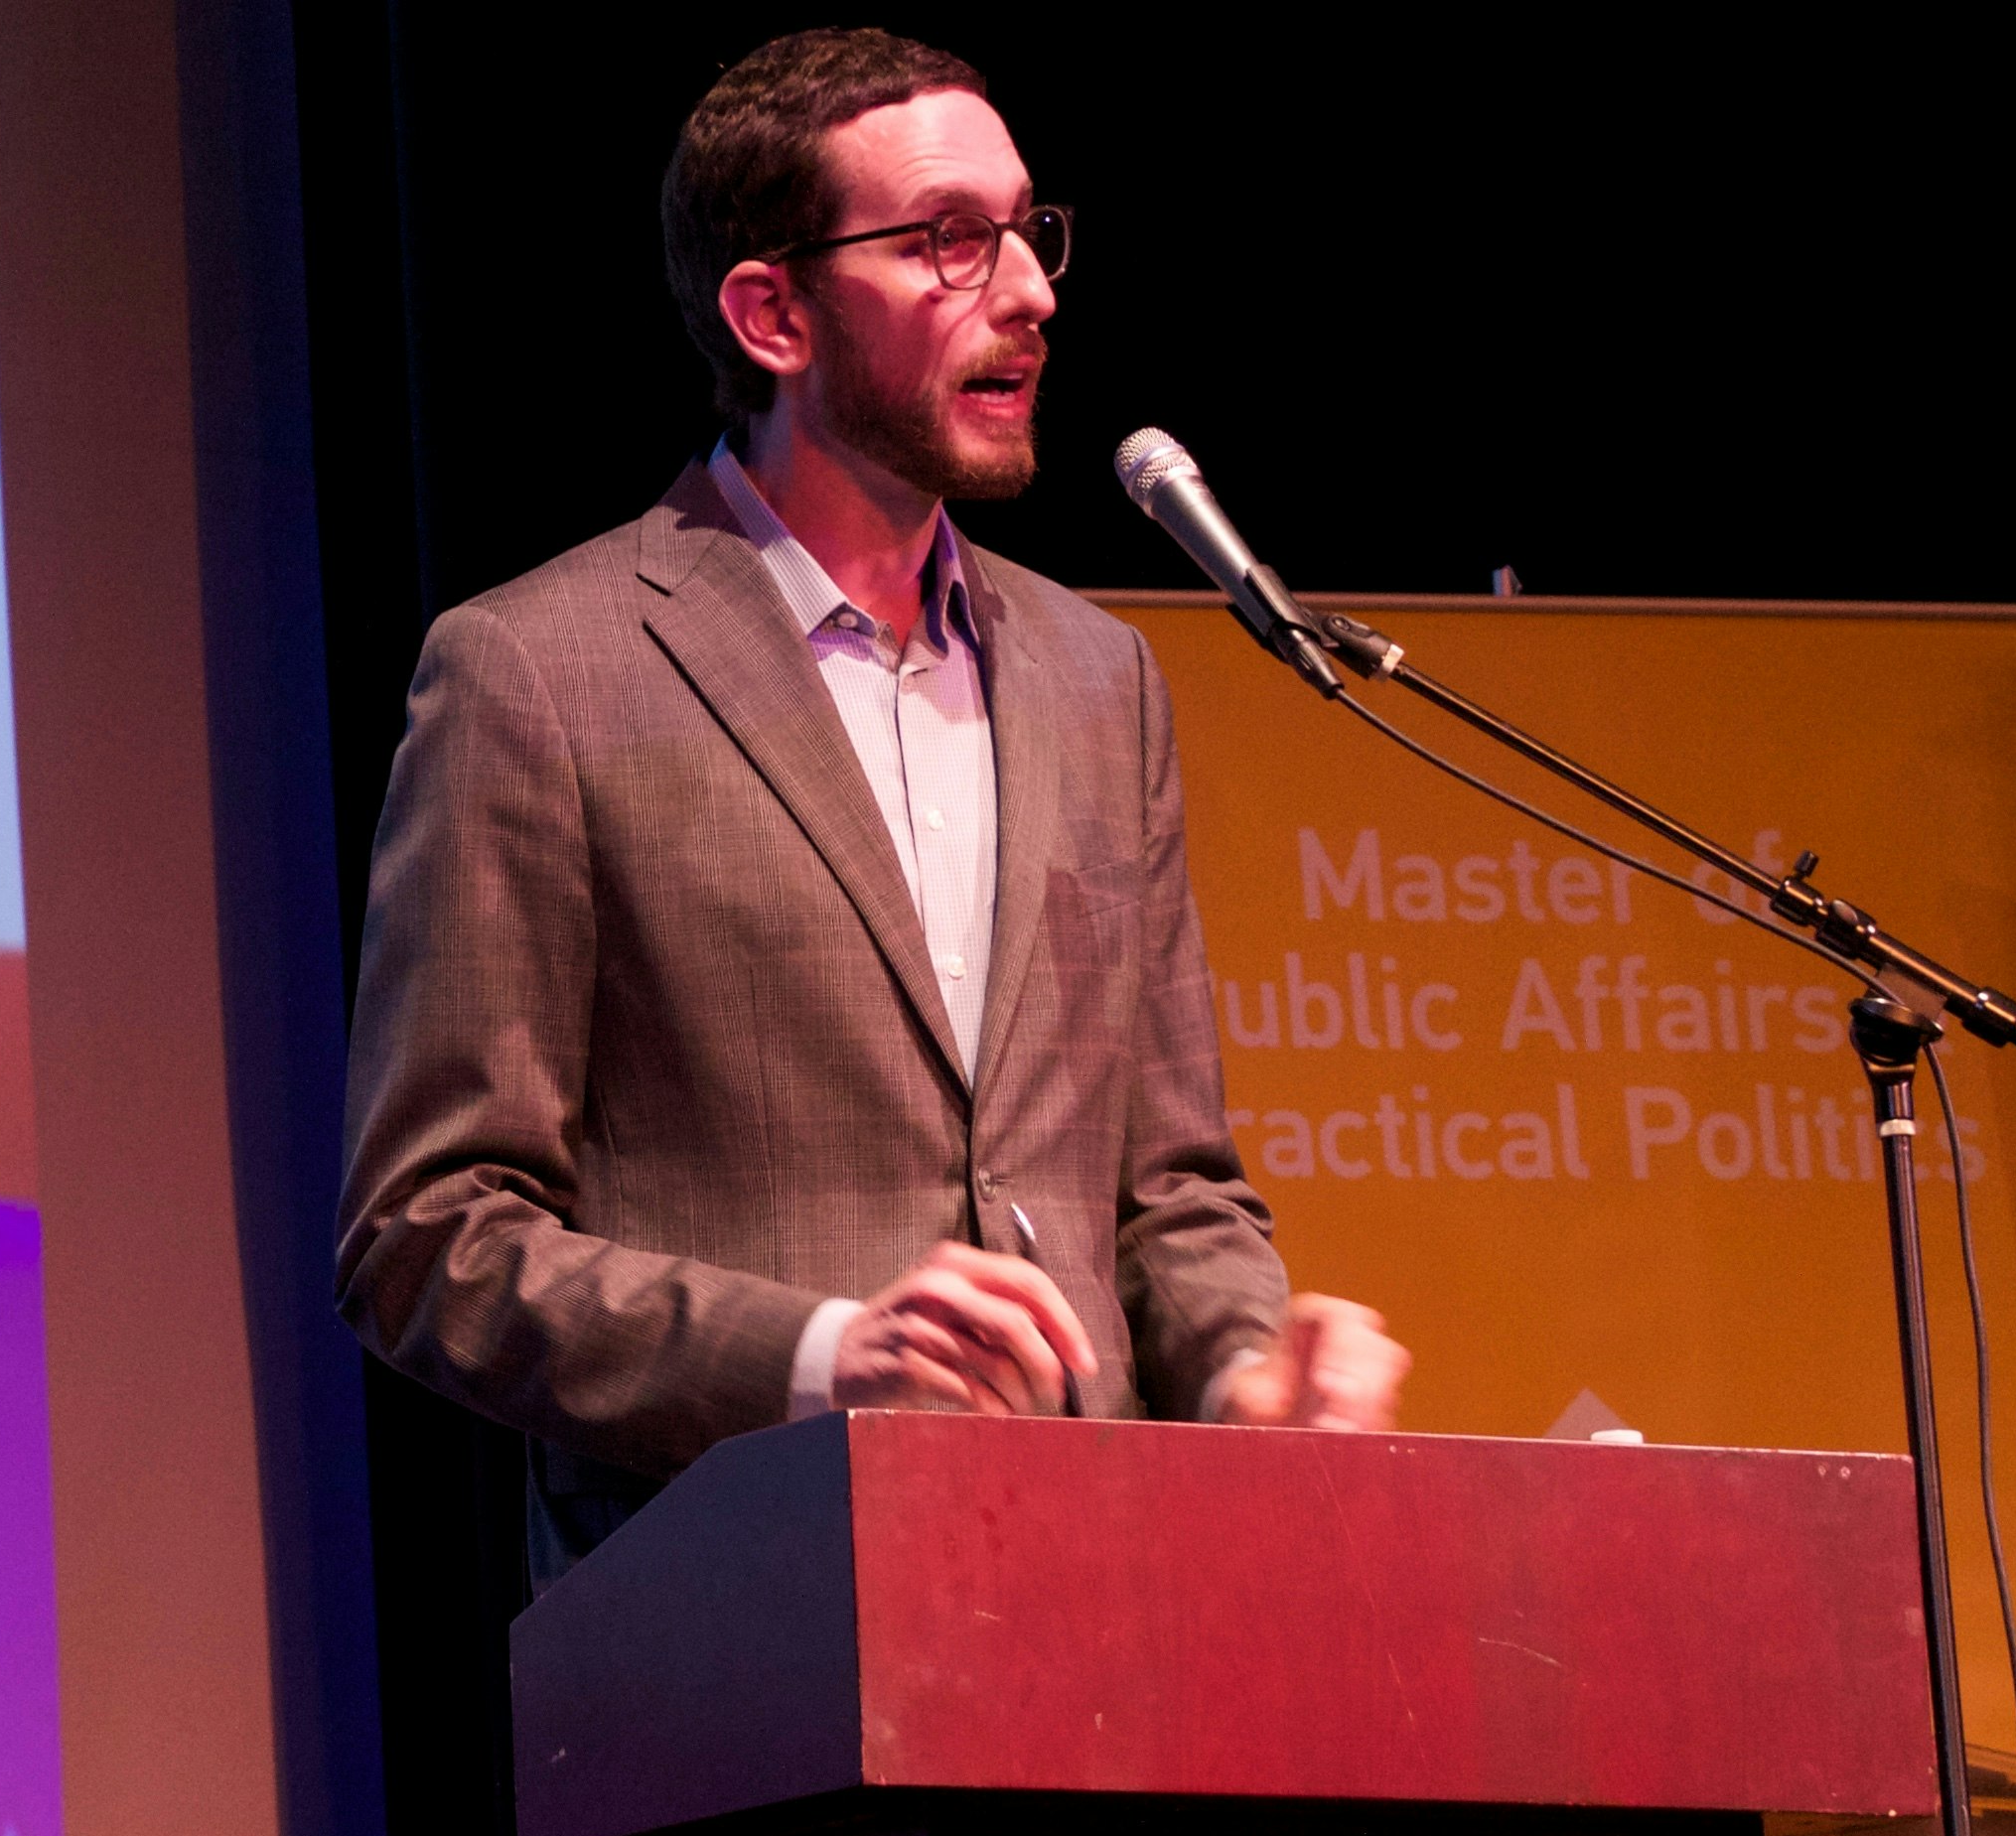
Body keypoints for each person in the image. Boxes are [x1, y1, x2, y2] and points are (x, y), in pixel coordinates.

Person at [338, 28, 1406, 1578]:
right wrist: (818, 1357)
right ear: (772, 314)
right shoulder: (537, 674)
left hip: (1105, 1596)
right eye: (944, 242)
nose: (1028, 292)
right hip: (741, 1622)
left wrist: (1247, 1375)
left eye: (1026, 232)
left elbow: (1168, 1194)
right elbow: (426, 1236)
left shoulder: (1097, 677)